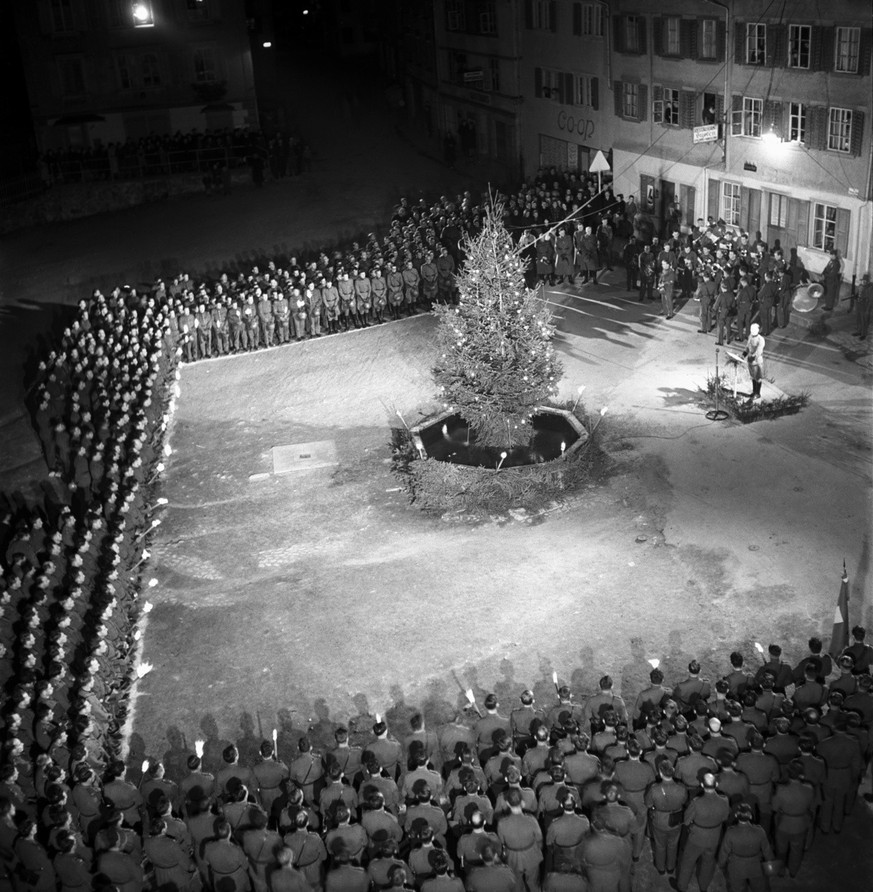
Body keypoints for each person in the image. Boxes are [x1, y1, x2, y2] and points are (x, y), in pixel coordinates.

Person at [742, 323, 765, 401]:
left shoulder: (760, 339)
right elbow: (747, 347)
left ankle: (757, 393)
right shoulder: (750, 336)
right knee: (753, 377)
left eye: (754, 329)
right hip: (750, 361)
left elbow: (759, 351)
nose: (752, 331)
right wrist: (743, 355)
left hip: (757, 361)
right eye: (751, 329)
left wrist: (753, 356)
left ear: (758, 330)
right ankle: (754, 391)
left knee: (757, 377)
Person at [854, 272, 871, 339]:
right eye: (863, 280)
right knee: (858, 318)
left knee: (863, 320)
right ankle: (858, 331)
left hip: (864, 306)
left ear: (867, 282)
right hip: (858, 304)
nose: (863, 282)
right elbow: (858, 293)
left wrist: (867, 308)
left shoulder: (869, 289)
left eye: (865, 281)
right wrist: (855, 296)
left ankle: (863, 334)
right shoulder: (860, 286)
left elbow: (869, 299)